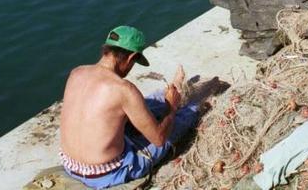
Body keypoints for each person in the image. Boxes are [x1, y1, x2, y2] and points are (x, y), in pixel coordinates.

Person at [59, 25, 219, 188]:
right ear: (131, 57)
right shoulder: (123, 89)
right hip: (108, 173)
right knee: (181, 118)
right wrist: (171, 108)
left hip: (72, 166)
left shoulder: (76, 72)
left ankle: (173, 89)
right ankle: (197, 102)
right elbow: (158, 140)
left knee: (141, 104)